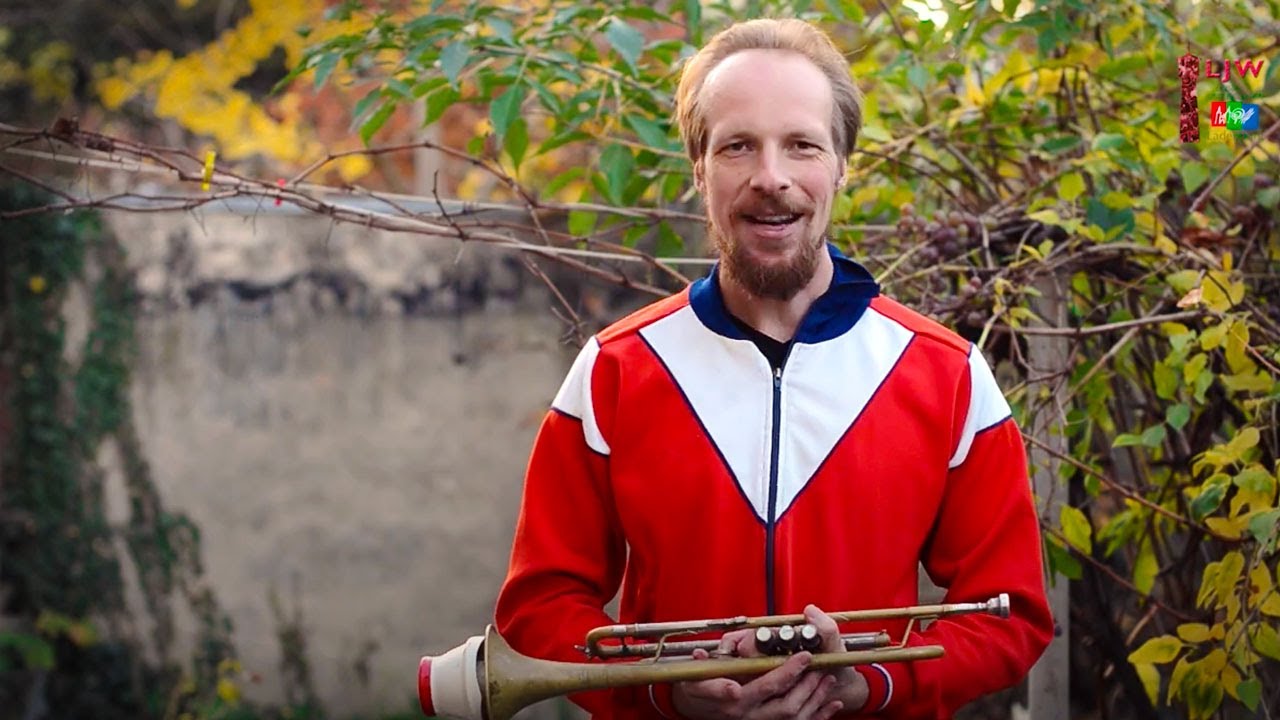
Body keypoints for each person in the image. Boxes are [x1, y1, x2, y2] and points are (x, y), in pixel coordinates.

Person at [494, 17, 1054, 720]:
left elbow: (1013, 614)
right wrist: (661, 690)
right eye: (737, 146)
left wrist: (874, 684)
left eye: (801, 145)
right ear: (699, 167)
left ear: (841, 164)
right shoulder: (613, 372)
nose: (771, 177)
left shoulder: (948, 375)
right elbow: (539, 607)